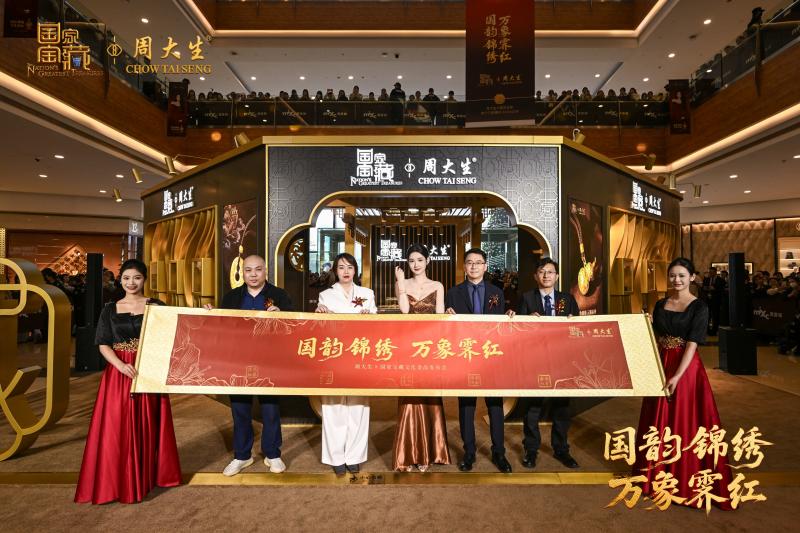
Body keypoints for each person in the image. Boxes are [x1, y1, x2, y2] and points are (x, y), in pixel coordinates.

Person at [75, 259, 181, 504]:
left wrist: (206, 311)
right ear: (120, 280)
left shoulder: (157, 306)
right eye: (126, 278)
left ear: (144, 279)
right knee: (116, 426)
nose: (131, 283)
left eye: (136, 278)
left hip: (148, 370)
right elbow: (103, 344)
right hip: (119, 372)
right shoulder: (109, 309)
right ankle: (116, 481)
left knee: (149, 422)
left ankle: (147, 475)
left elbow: (177, 329)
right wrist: (121, 365)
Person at [633, 257, 733, 510]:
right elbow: (656, 336)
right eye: (672, 275)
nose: (676, 280)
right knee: (657, 418)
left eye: (681, 276)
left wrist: (677, 375)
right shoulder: (660, 304)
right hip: (661, 363)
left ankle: (685, 479)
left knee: (685, 420)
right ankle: (654, 476)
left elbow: (692, 343)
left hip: (686, 369)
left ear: (691, 278)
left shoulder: (699, 307)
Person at [205, 255, 292, 476]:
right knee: (240, 410)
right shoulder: (231, 297)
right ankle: (242, 456)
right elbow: (221, 328)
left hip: (270, 361)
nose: (253, 274)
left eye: (258, 270)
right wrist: (210, 314)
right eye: (248, 270)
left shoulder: (280, 296)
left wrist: (283, 316)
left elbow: (295, 327)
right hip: (238, 361)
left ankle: (272, 453)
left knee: (270, 410)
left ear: (266, 271)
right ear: (242, 273)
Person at [507, 258, 580, 470]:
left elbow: (577, 330)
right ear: (535, 276)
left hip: (561, 360)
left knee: (561, 408)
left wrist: (572, 322)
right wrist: (527, 320)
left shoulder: (567, 299)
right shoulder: (526, 298)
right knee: (532, 408)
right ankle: (531, 450)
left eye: (550, 272)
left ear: (557, 276)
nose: (546, 275)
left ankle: (561, 449)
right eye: (542, 272)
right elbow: (517, 331)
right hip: (535, 360)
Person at [445, 248, 511, 473]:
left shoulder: (497, 292)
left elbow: (501, 326)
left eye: (478, 262)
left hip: (490, 356)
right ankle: (469, 452)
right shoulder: (453, 293)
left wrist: (508, 317)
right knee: (466, 406)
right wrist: (446, 316)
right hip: (466, 356)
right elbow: (447, 329)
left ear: (485, 266)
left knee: (495, 405)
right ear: (464, 266)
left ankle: (499, 452)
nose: (474, 266)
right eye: (470, 262)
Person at [315, 253, 377, 475]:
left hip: (360, 356)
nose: (346, 271)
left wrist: (370, 317)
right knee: (334, 407)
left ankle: (354, 456)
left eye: (350, 267)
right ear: (335, 270)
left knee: (359, 406)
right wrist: (320, 314)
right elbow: (319, 329)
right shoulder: (325, 295)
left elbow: (377, 328)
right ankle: (336, 457)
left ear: (356, 270)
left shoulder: (367, 294)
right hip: (334, 356)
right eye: (341, 267)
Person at [392, 244, 450, 472]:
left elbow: (439, 317)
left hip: (430, 347)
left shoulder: (437, 286)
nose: (415, 264)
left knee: (430, 398)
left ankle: (428, 453)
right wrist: (400, 283)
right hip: (408, 346)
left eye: (419, 260)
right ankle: (409, 454)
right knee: (410, 396)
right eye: (411, 261)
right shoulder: (402, 283)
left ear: (427, 261)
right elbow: (405, 311)